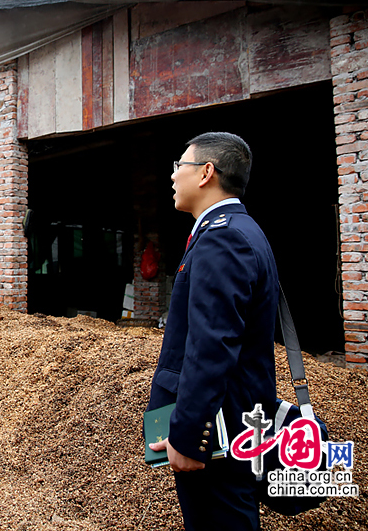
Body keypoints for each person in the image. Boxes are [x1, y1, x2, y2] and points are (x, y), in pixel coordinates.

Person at [146, 132, 279, 530]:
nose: (172, 177)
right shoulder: (240, 229)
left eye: (178, 167)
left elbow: (211, 348)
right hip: (234, 426)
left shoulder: (222, 239)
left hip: (220, 434)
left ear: (206, 172)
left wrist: (189, 438)